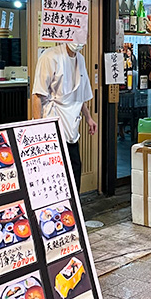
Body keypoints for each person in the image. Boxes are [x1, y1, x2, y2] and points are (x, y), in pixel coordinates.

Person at [32, 42, 97, 191]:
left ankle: (74, 210)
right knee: (54, 175)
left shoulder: (80, 59)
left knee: (74, 170)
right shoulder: (49, 56)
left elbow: (78, 95)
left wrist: (88, 117)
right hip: (52, 126)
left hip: (72, 128)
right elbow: (37, 95)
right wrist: (38, 128)